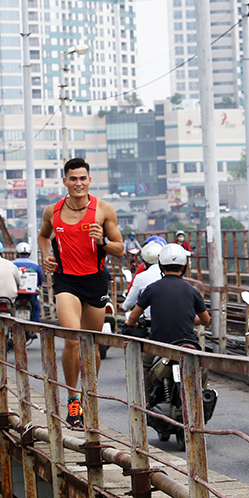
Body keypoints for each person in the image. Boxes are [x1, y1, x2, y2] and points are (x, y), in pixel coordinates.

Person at [38, 157, 124, 430]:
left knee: (91, 344)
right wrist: (46, 256)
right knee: (72, 340)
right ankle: (73, 398)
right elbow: (43, 236)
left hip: (95, 281)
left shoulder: (103, 210)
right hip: (66, 282)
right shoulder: (53, 211)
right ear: (64, 181)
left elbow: (120, 248)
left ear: (89, 180)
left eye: (82, 178)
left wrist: (103, 241)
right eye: (72, 178)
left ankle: (89, 395)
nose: (78, 183)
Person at [125, 244, 210, 399]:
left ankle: (147, 402)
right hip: (187, 345)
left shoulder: (152, 288)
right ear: (183, 267)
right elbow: (205, 319)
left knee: (143, 363)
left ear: (161, 266)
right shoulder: (193, 290)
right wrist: (193, 321)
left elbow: (133, 316)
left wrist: (131, 324)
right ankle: (202, 398)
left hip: (159, 346)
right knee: (202, 366)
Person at [121, 240, 165, 320]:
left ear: (145, 260)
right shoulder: (168, 275)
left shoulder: (141, 277)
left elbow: (129, 303)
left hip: (149, 319)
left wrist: (123, 306)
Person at [12, 242, 44, 322]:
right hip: (30, 293)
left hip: (15, 292)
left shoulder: (12, 264)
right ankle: (34, 327)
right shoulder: (35, 265)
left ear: (17, 253)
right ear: (29, 253)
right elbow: (40, 279)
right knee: (36, 308)